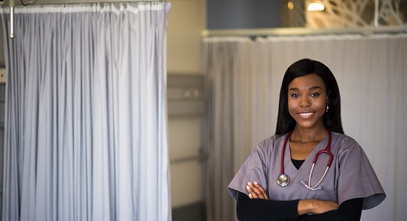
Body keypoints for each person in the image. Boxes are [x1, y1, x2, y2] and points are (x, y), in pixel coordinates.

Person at [227, 58, 386, 221]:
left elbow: (347, 217)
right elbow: (246, 212)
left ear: (328, 98)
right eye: (295, 95)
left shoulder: (346, 150)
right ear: (286, 99)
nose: (304, 103)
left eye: (314, 94)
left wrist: (272, 212)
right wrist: (310, 205)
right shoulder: (267, 149)